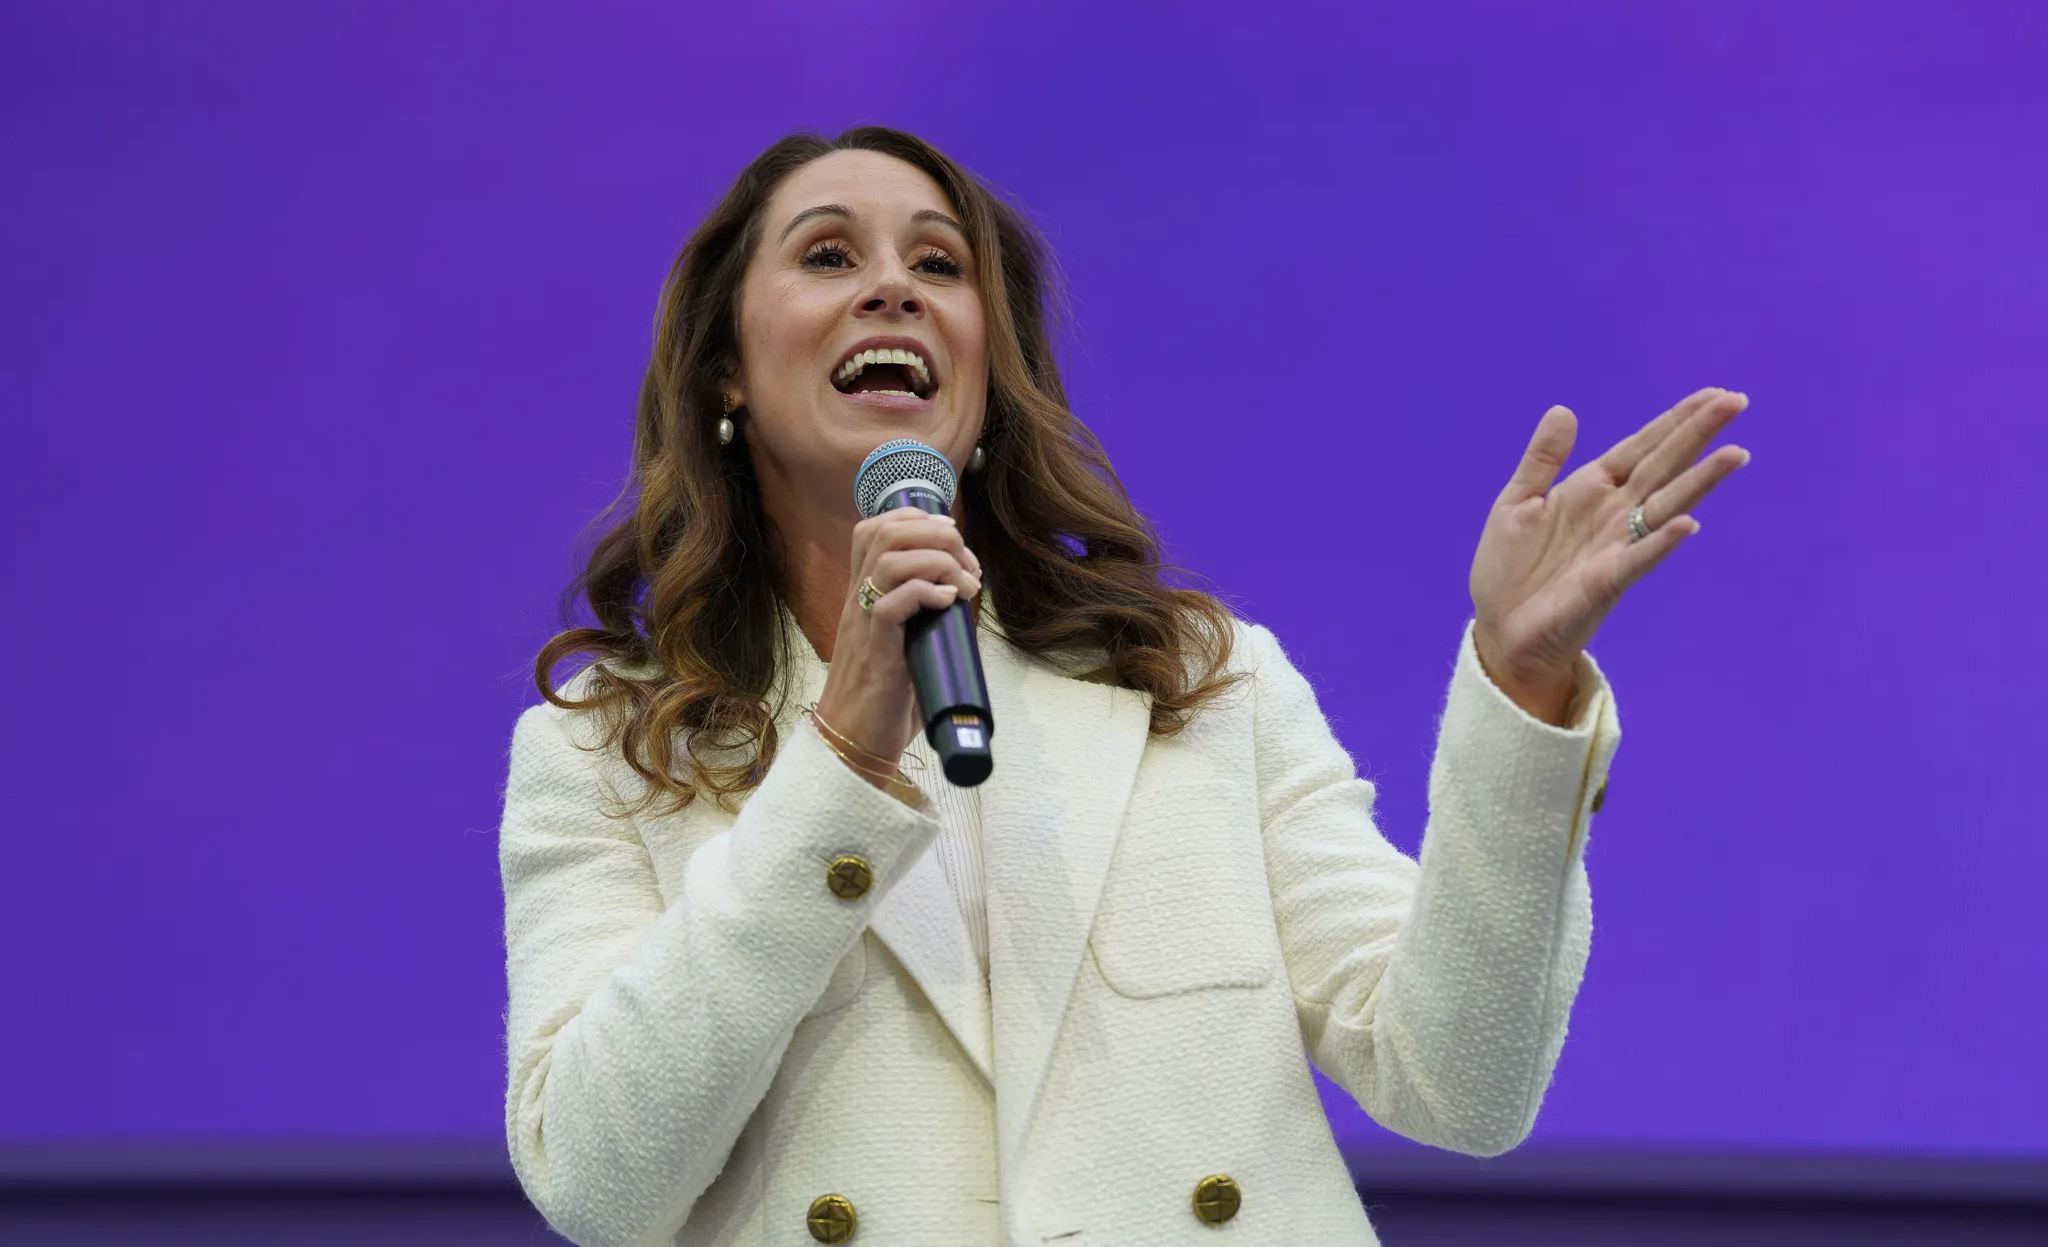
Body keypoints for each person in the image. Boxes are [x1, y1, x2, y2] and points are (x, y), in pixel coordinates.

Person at [497, 126, 1749, 1247]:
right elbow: (600, 1182)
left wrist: (1520, 688)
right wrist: (834, 767)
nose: (892, 285)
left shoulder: (1194, 684)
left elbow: (1460, 1084)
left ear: (984, 371)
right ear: (725, 370)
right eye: (828, 256)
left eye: (939, 266)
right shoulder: (608, 753)